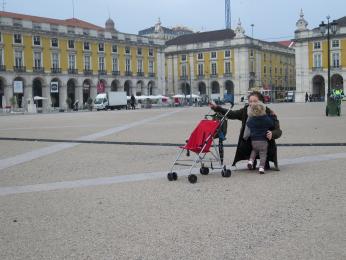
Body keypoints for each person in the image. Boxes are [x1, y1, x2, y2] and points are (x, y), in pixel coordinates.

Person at [209, 91, 282, 170]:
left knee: (264, 148)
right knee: (246, 142)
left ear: (261, 102)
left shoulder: (269, 112)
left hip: (265, 141)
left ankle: (265, 161)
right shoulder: (245, 111)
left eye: (255, 101)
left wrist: (272, 134)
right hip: (250, 141)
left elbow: (278, 131)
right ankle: (252, 161)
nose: (252, 103)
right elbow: (232, 114)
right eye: (250, 101)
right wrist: (216, 108)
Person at [246, 102, 274, 174]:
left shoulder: (252, 119)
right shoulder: (265, 118)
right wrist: (271, 116)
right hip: (263, 140)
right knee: (263, 154)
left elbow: (248, 124)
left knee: (254, 150)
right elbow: (271, 124)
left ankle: (250, 161)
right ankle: (261, 168)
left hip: (254, 140)